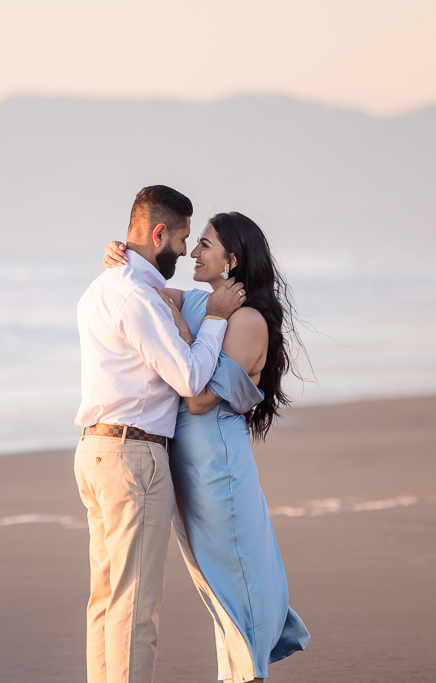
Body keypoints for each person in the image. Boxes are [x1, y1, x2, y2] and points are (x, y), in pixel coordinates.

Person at [103, 211, 310, 682]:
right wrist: (119, 256)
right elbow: (144, 293)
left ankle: (247, 674)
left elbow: (198, 400)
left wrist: (189, 318)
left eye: (205, 245)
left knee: (234, 584)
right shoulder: (202, 302)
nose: (192, 252)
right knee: (214, 588)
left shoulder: (247, 320)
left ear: (231, 261)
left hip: (219, 471)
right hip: (193, 472)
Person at [74, 186, 247, 683]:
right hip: (134, 460)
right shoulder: (136, 297)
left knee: (106, 601)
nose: (186, 250)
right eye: (183, 238)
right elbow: (190, 379)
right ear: (158, 234)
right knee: (135, 607)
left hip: (94, 451)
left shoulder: (102, 288)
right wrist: (215, 318)